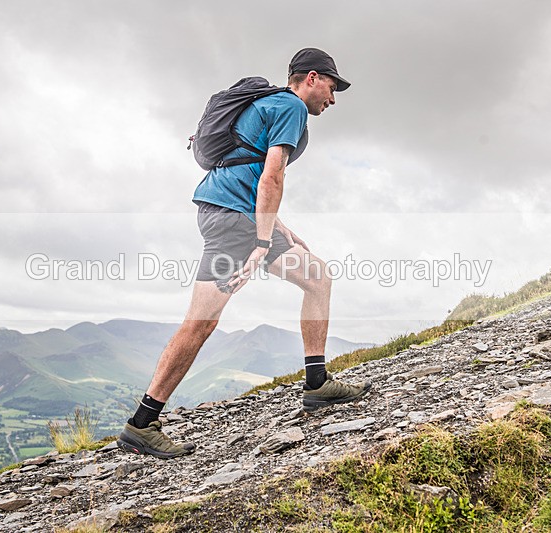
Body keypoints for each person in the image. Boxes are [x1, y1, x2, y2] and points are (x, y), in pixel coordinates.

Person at [117, 48, 370, 459]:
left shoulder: (269, 103)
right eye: (331, 85)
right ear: (310, 78)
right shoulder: (291, 107)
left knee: (317, 278)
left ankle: (317, 382)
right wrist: (263, 242)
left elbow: (246, 167)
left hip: (226, 214)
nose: (334, 97)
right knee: (201, 323)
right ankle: (142, 425)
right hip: (237, 224)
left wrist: (276, 226)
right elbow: (271, 175)